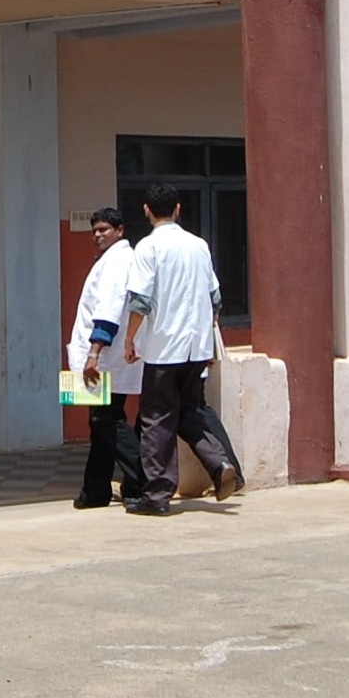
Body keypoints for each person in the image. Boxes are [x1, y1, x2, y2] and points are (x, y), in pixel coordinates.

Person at [119, 184, 240, 515]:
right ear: (178, 209)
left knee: (156, 419)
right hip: (195, 347)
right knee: (187, 410)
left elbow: (140, 301)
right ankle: (219, 463)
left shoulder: (148, 247)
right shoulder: (199, 246)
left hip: (163, 348)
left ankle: (157, 495)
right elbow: (215, 298)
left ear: (146, 210)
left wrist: (130, 340)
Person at [68, 205, 145, 509]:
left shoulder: (117, 261)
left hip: (104, 359)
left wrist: (94, 353)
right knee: (100, 423)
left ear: (120, 230)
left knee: (106, 420)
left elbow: (108, 310)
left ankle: (143, 479)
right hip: (110, 358)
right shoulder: (115, 259)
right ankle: (96, 490)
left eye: (104, 230)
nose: (98, 235)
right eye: (94, 231)